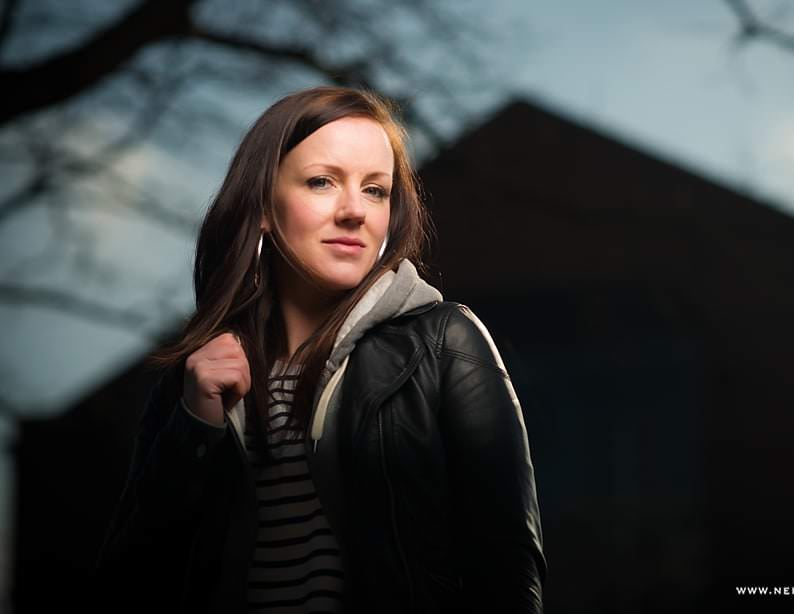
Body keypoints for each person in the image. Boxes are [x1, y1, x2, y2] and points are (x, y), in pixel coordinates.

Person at [92, 86, 546, 613]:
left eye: (376, 190)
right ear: (263, 206)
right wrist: (196, 428)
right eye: (322, 182)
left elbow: (508, 566)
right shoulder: (192, 384)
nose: (355, 211)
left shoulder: (443, 344)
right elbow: (127, 587)